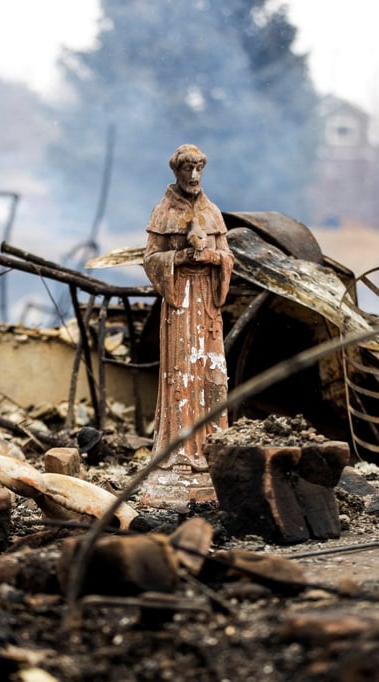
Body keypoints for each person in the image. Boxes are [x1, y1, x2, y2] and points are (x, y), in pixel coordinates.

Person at [140, 144, 235, 510]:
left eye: (198, 169)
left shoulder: (212, 212)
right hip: (179, 306)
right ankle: (179, 453)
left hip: (208, 306)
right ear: (176, 171)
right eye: (187, 169)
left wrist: (212, 257)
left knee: (212, 376)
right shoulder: (163, 212)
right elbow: (150, 259)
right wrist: (178, 257)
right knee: (182, 374)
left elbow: (228, 257)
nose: (193, 176)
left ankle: (214, 451)